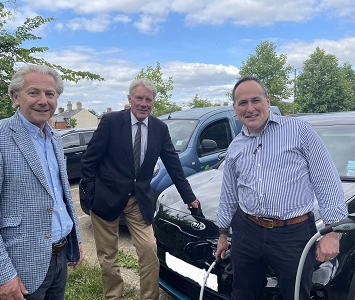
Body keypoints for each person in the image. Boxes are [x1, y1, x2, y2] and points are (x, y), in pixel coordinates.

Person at [215, 75, 348, 300]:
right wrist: (222, 232)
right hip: (247, 231)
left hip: (293, 234)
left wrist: (332, 231)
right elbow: (229, 193)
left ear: (268, 101)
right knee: (242, 294)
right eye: (243, 103)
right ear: (235, 108)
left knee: (295, 295)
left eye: (255, 100)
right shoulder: (235, 146)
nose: (250, 108)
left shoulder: (299, 131)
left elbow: (326, 179)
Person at [0, 65, 83, 300]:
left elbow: (60, 194)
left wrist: (74, 238)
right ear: (15, 97)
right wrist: (0, 275)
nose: (43, 101)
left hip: (59, 257)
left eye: (50, 94)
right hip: (19, 265)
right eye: (33, 92)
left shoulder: (55, 137)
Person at [80, 77, 200, 300]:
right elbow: (89, 160)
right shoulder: (111, 122)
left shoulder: (159, 128)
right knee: (108, 255)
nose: (144, 103)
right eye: (139, 98)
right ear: (130, 99)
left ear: (154, 101)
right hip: (106, 199)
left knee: (148, 250)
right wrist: (91, 191)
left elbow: (174, 164)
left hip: (138, 200)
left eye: (149, 99)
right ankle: (114, 296)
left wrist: (189, 197)